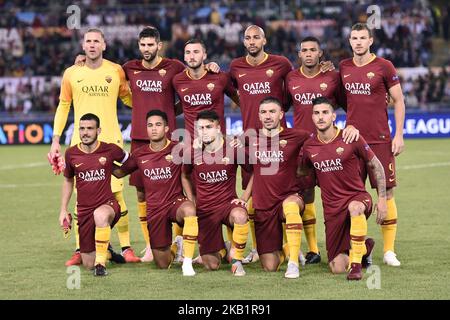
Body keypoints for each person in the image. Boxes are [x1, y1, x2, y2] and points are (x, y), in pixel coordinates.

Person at [49, 28, 140, 265]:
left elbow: (129, 99)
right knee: (83, 198)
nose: (91, 45)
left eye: (96, 41)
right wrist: (56, 139)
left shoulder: (115, 70)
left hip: (111, 141)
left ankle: (127, 247)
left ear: (104, 45)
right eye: (88, 41)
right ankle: (81, 248)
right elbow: (63, 105)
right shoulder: (71, 73)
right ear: (83, 45)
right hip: (82, 143)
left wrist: (150, 99)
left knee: (117, 194)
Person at [340, 23, 405, 266]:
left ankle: (389, 251)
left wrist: (398, 135)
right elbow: (337, 96)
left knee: (386, 191)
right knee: (352, 195)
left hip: (380, 140)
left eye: (362, 38)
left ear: (370, 41)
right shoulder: (343, 67)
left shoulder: (384, 66)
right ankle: (357, 245)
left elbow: (399, 100)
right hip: (352, 142)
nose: (358, 42)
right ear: (350, 41)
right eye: (354, 38)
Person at [302, 97, 387, 280]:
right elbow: (304, 176)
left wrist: (382, 199)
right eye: (316, 113)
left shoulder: (350, 137)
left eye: (325, 112)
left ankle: (356, 266)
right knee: (336, 267)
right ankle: (365, 248)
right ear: (312, 117)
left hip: (357, 198)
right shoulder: (309, 147)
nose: (321, 117)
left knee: (355, 208)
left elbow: (376, 165)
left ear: (333, 116)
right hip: (332, 210)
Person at [229, 25, 293, 264]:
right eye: (248, 37)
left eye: (256, 37)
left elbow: (293, 89)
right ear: (244, 41)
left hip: (277, 138)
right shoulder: (236, 66)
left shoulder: (281, 64)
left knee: (281, 193)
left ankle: (287, 246)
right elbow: (230, 90)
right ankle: (258, 248)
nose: (252, 41)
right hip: (250, 140)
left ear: (264, 40)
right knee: (253, 193)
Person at [122, 26, 185, 262]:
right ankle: (150, 245)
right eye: (143, 45)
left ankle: (177, 240)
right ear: (139, 46)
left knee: (175, 190)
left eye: (151, 45)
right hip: (140, 139)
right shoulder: (129, 68)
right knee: (142, 192)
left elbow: (190, 85)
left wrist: (171, 111)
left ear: (159, 45)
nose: (146, 49)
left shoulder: (174, 67)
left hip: (168, 141)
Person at [113, 110, 198, 276]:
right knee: (162, 263)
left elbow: (200, 163)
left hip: (175, 203)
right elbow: (119, 173)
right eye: (150, 125)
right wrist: (100, 160)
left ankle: (187, 263)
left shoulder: (178, 149)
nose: (153, 129)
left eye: (158, 125)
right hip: (155, 209)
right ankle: (176, 246)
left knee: (189, 210)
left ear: (166, 128)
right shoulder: (139, 154)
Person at [286, 36, 348, 264]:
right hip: (303, 148)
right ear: (300, 54)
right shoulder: (291, 77)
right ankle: (313, 250)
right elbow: (282, 105)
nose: (309, 53)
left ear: (321, 54)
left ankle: (347, 243)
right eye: (305, 50)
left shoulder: (332, 76)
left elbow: (345, 103)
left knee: (336, 196)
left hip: (330, 147)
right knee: (306, 195)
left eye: (313, 49)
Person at [245, 96, 311, 279]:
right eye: (264, 112)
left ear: (281, 114)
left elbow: (322, 140)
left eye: (272, 112)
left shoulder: (297, 136)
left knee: (290, 207)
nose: (268, 116)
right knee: (270, 266)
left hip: (289, 197)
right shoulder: (250, 138)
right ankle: (289, 248)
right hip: (264, 206)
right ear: (259, 115)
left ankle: (293, 264)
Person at [59, 113, 130, 276]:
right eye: (82, 128)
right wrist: (63, 209)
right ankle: (108, 253)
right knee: (87, 263)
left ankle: (101, 265)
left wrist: (118, 172)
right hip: (84, 212)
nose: (85, 132)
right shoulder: (71, 154)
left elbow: (131, 161)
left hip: (108, 206)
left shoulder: (109, 149)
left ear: (98, 130)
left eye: (90, 128)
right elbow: (68, 181)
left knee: (100, 215)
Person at [182, 110, 249, 276]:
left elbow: (254, 172)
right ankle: (224, 249)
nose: (204, 131)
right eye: (201, 128)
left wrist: (244, 198)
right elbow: (184, 176)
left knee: (240, 215)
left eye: (208, 127)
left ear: (218, 128)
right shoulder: (193, 152)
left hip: (228, 206)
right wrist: (192, 200)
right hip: (205, 210)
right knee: (211, 265)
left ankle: (237, 260)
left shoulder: (232, 149)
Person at [173, 38, 239, 139]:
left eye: (196, 52)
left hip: (217, 145)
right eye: (188, 52)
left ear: (204, 55)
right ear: (184, 57)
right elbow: (184, 104)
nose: (191, 56)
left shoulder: (220, 77)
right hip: (193, 145)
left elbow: (239, 99)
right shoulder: (177, 80)